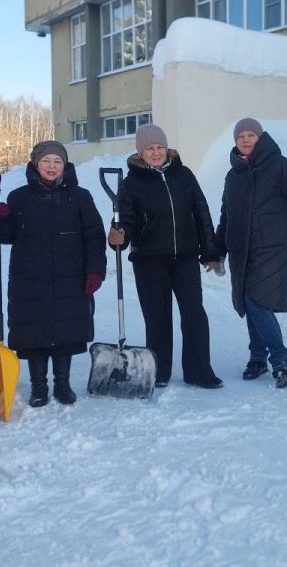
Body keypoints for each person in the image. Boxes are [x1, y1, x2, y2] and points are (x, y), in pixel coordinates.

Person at [0, 140, 106, 407]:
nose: (52, 166)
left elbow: (95, 236)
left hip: (70, 276)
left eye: (57, 161)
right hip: (30, 279)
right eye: (46, 161)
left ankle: (62, 384)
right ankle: (39, 386)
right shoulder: (19, 197)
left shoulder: (80, 197)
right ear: (35, 164)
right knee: (34, 333)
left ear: (65, 165)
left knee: (66, 330)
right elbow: (6, 235)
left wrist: (95, 270)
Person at [107, 124, 223, 389]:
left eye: (160, 147)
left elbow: (201, 213)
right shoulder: (131, 183)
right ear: (141, 152)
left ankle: (198, 370)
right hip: (148, 259)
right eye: (150, 148)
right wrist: (119, 235)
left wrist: (210, 251)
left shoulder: (184, 175)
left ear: (167, 148)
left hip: (185, 257)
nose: (156, 152)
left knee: (194, 313)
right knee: (156, 316)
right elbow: (126, 220)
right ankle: (158, 370)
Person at [215, 118, 287, 389]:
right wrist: (219, 250)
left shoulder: (280, 166)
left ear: (260, 137)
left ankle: (281, 362)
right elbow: (226, 215)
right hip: (240, 251)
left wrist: (285, 237)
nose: (245, 140)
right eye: (240, 136)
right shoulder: (233, 175)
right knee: (248, 302)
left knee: (257, 302)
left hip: (271, 249)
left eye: (251, 135)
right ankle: (257, 358)